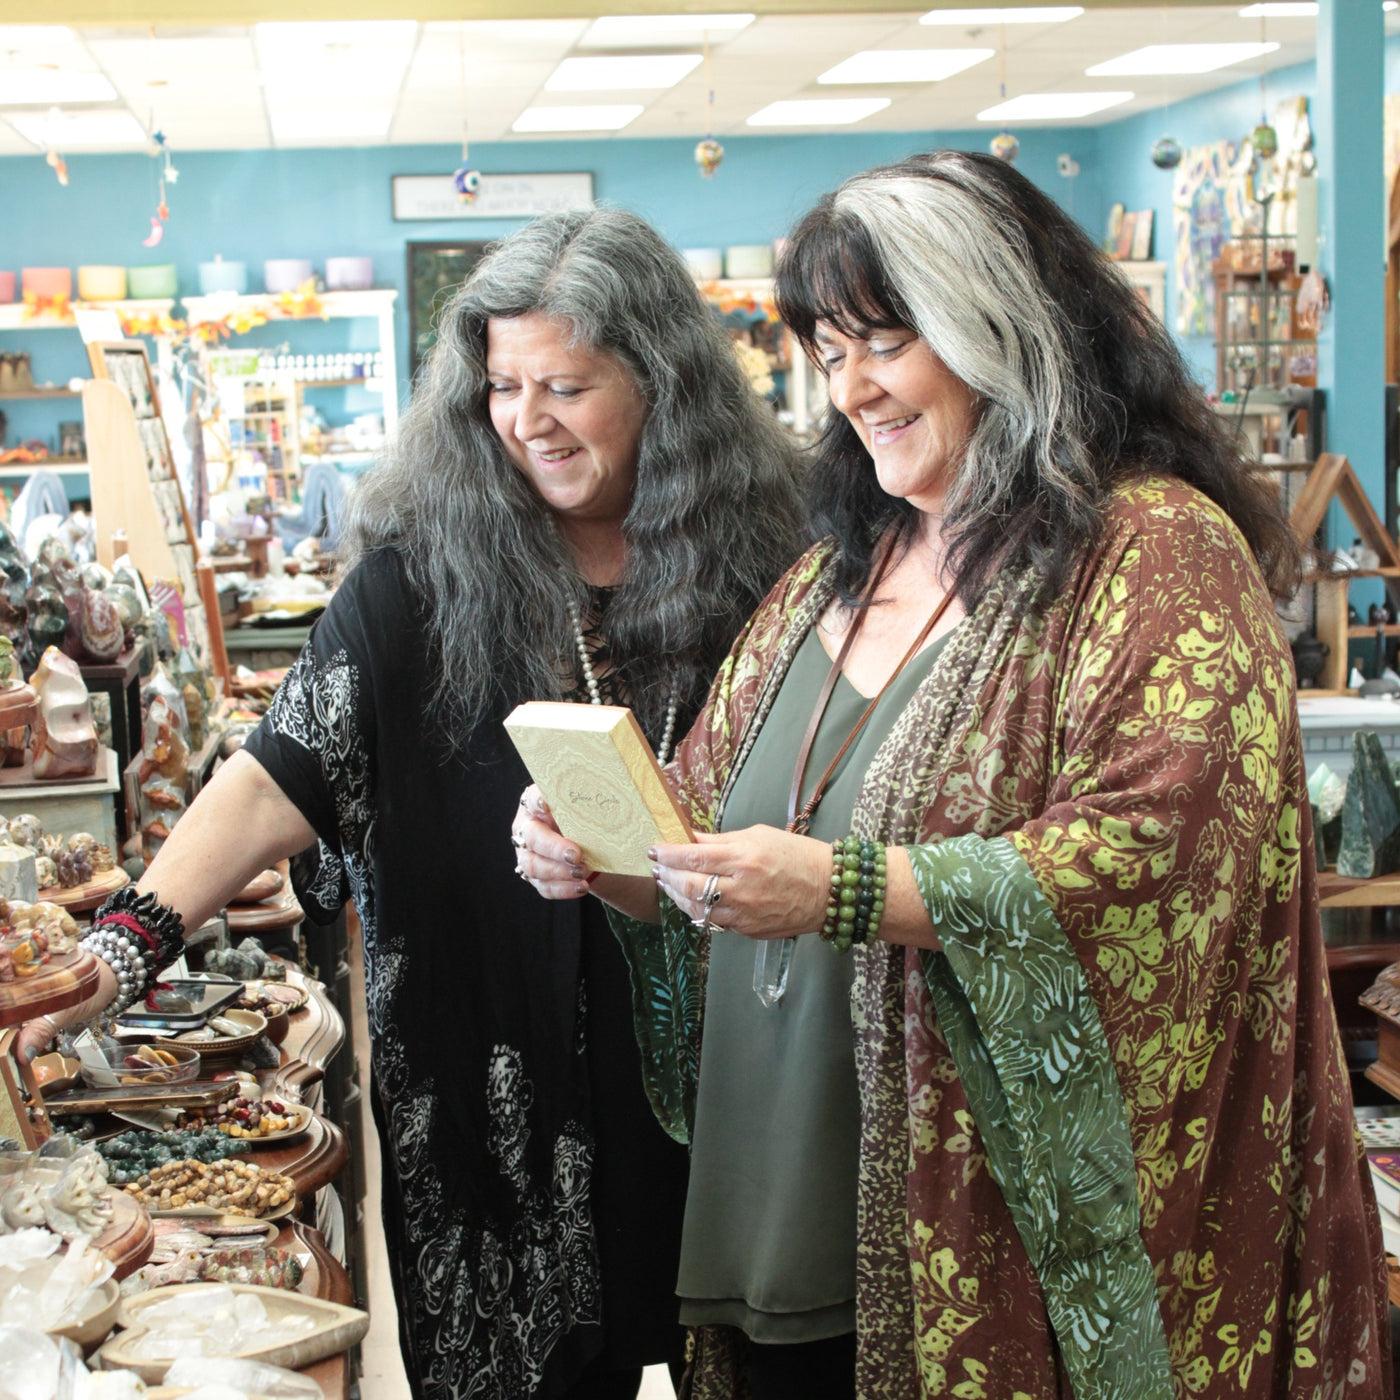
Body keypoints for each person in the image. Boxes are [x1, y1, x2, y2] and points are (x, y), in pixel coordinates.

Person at [516, 152, 1391, 1400]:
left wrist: (847, 890)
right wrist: (606, 853)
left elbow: (1157, 852)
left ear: (999, 322)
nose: (851, 386)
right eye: (826, 350)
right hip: (770, 1222)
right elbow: (707, 834)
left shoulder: (1151, 554)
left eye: (884, 338)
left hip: (986, 1268)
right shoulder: (835, 569)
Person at [20, 208, 803, 1400]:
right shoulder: (419, 580)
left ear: (664, 381)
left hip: (730, 1064)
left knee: (751, 1352)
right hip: (495, 1093)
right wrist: (113, 956)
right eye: (501, 385)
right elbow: (272, 779)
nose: (527, 419)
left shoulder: (779, 565)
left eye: (568, 385)